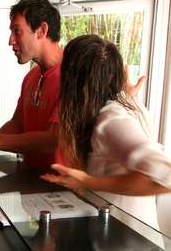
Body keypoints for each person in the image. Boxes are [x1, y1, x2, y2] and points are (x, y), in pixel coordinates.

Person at [42, 34, 171, 229]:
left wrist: (88, 182)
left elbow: (166, 176)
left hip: (125, 239)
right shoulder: (122, 106)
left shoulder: (110, 121)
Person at [0, 0, 63, 170]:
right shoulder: (31, 77)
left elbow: (54, 139)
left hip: (62, 189)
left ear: (41, 31)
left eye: (17, 31)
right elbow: (17, 123)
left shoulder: (73, 76)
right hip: (31, 180)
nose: (11, 41)